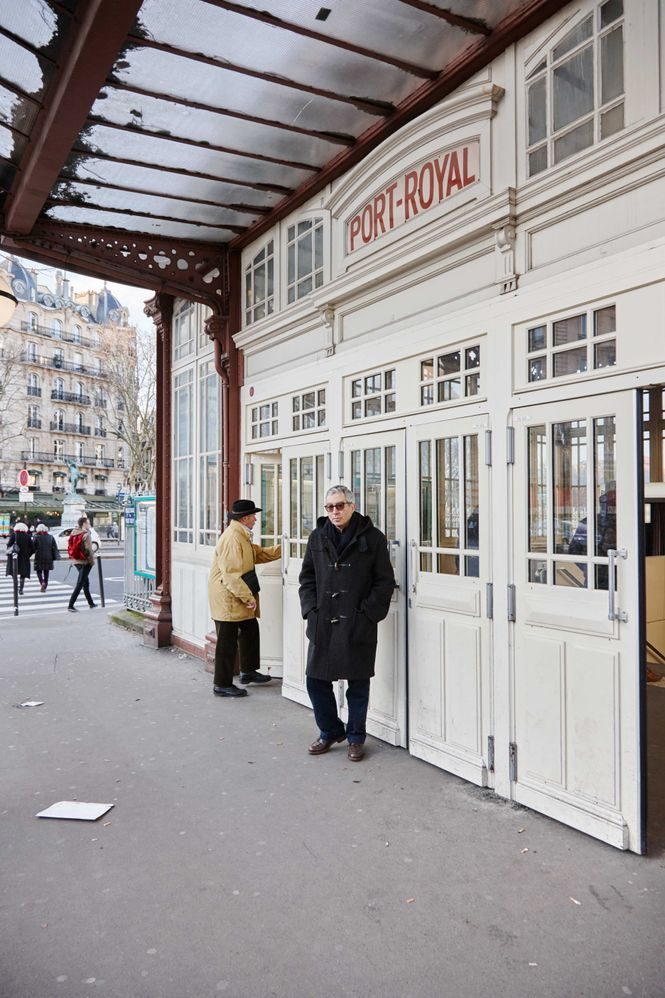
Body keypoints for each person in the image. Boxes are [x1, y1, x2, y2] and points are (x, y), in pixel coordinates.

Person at [298, 485, 395, 762]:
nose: (335, 512)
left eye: (340, 505)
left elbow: (384, 581)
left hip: (357, 623)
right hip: (323, 623)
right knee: (315, 682)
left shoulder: (374, 538)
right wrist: (311, 611)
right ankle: (330, 731)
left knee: (358, 684)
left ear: (352, 506)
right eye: (329, 507)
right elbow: (307, 579)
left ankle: (355, 737)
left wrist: (367, 615)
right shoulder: (317, 537)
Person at [208, 499, 281, 698]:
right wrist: (248, 598)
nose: (256, 519)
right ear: (245, 518)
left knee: (250, 629)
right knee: (226, 641)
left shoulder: (241, 535)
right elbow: (231, 575)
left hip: (234, 593)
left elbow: (258, 554)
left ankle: (248, 671)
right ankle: (221, 684)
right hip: (228, 597)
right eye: (253, 516)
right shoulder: (233, 538)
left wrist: (286, 548)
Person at [67, 515, 98, 612]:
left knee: (85, 582)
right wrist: (92, 562)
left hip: (76, 561)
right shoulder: (86, 535)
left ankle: (91, 603)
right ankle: (70, 605)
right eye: (88, 523)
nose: (89, 525)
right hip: (85, 562)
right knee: (80, 583)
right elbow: (89, 550)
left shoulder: (73, 533)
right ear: (84, 524)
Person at [5, 520, 32, 594]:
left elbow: (9, 545)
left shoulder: (14, 535)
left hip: (14, 557)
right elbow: (33, 548)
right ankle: (21, 589)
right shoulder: (27, 536)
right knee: (23, 573)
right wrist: (28, 554)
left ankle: (16, 587)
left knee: (14, 572)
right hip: (24, 557)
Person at [33, 523, 60, 591]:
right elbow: (54, 547)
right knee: (46, 572)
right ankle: (45, 586)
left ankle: (42, 582)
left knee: (38, 571)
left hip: (39, 556)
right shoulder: (50, 537)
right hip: (48, 557)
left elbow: (33, 548)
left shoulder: (36, 537)